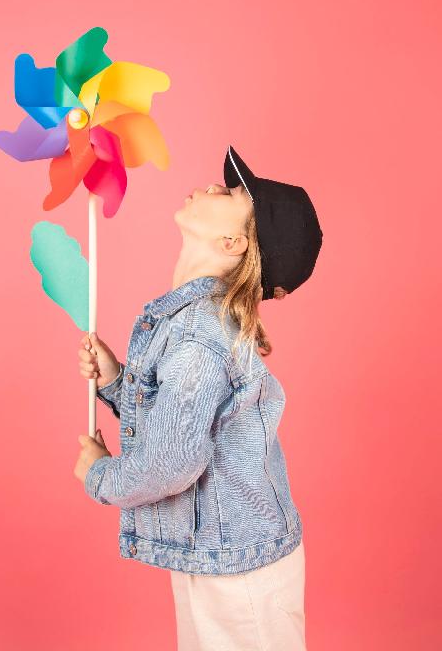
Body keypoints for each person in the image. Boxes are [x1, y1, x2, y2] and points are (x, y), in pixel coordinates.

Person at [73, 145, 323, 650]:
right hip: (226, 553)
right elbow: (185, 419)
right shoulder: (197, 324)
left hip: (237, 571)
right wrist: (118, 381)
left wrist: (100, 475)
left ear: (232, 242)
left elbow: (172, 463)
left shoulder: (196, 336)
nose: (213, 186)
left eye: (230, 193)